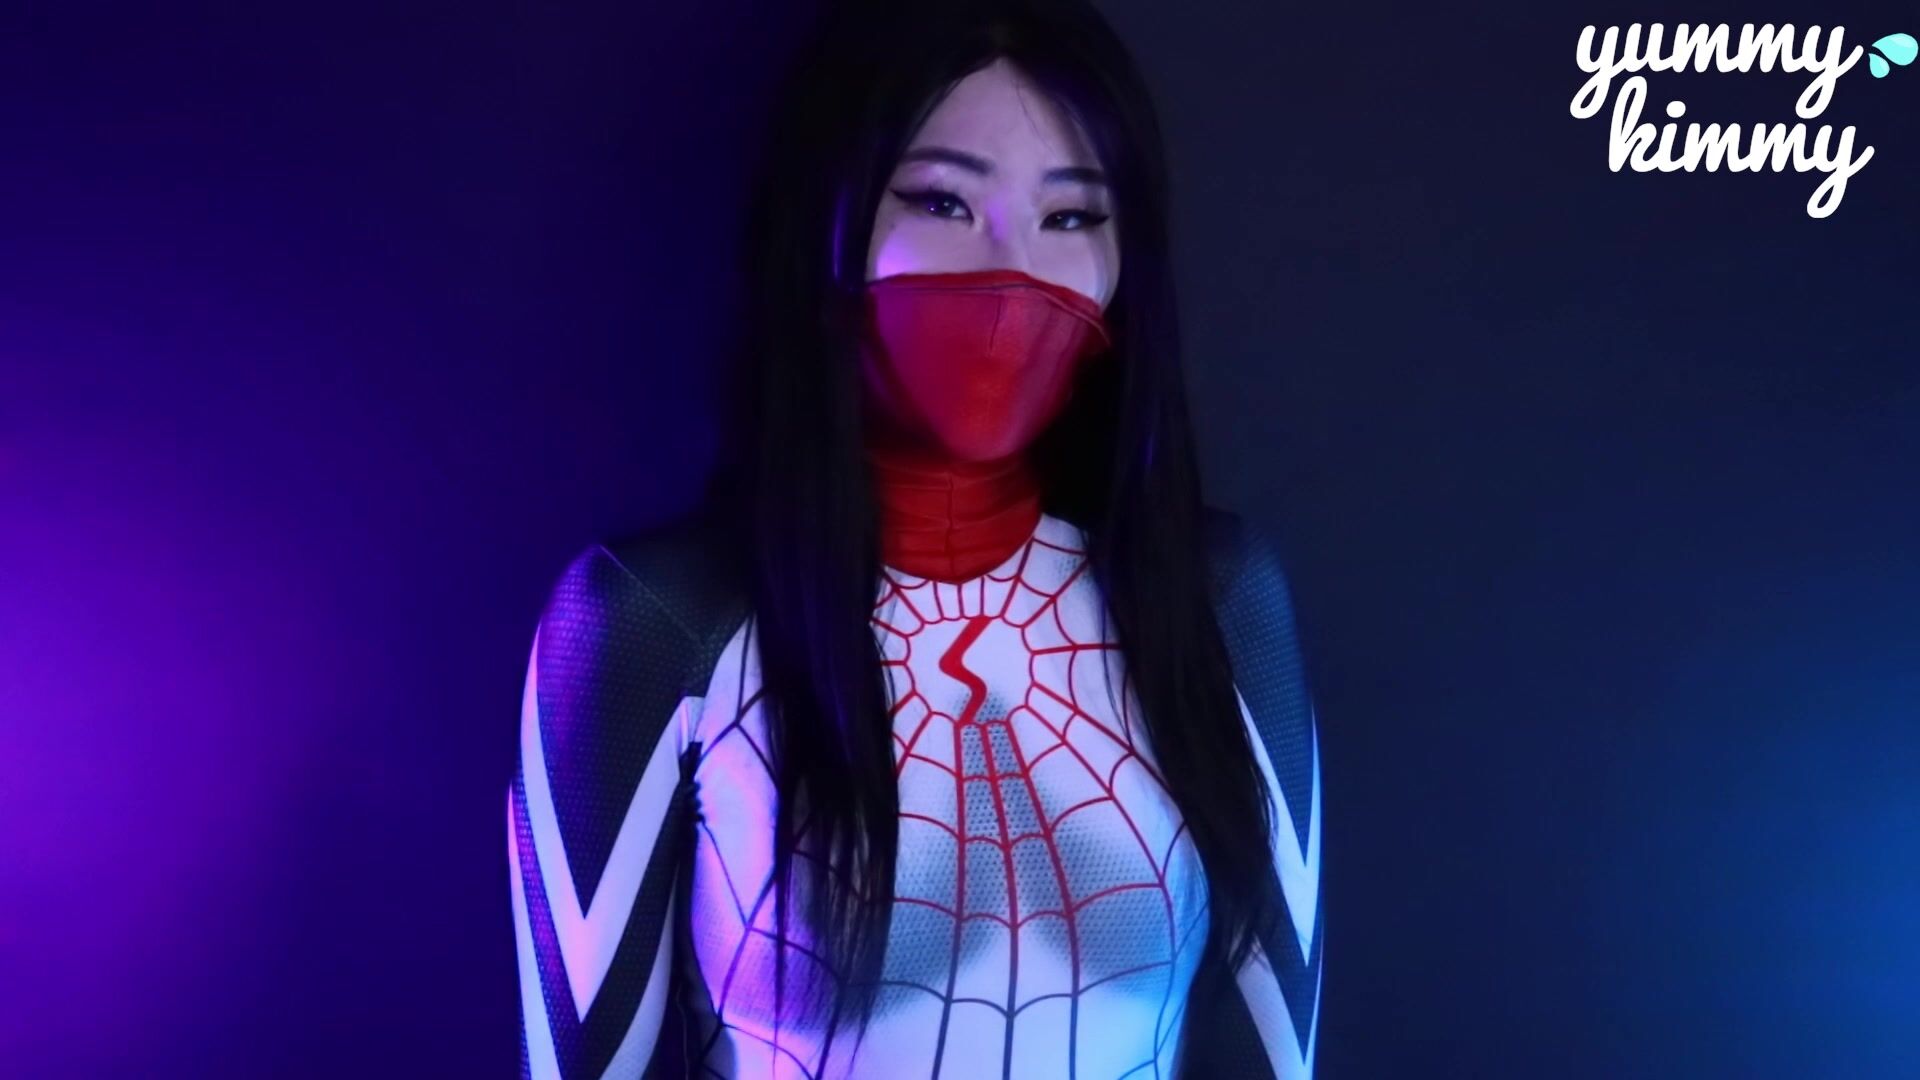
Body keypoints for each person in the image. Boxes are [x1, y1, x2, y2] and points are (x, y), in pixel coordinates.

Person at [505, 1, 1323, 1075]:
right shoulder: (654, 624)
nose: (1011, 272)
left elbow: (1276, 1053)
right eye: (942, 200)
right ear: (828, 222)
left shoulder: (1212, 603)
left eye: (1072, 216)